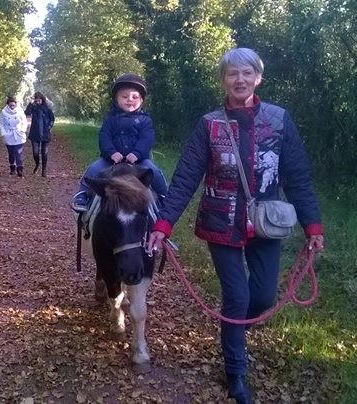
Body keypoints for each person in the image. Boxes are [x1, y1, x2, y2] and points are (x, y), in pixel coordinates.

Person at [146, 48, 325, 404]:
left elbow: (298, 176)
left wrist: (313, 226)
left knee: (260, 297)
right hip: (221, 220)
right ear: (223, 80)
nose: (239, 80)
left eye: (246, 73)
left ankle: (234, 333)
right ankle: (236, 372)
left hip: (267, 223)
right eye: (232, 74)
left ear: (258, 77)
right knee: (237, 297)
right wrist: (163, 224)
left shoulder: (279, 120)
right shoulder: (209, 124)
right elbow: (185, 178)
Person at [70, 73, 168, 212]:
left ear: (141, 101)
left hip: (137, 161)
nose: (130, 99)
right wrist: (112, 153)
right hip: (111, 160)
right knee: (93, 169)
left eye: (135, 97)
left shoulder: (145, 121)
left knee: (155, 172)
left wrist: (136, 154)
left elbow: (146, 139)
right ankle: (82, 194)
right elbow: (104, 137)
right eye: (124, 96)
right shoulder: (110, 119)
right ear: (116, 100)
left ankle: (164, 198)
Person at [24, 91, 55, 177]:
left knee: (44, 152)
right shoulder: (33, 107)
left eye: (39, 100)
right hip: (35, 133)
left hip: (45, 133)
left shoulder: (47, 107)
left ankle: (44, 170)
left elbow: (52, 119)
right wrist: (30, 103)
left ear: (42, 99)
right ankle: (37, 164)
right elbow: (27, 113)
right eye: (36, 100)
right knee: (35, 152)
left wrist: (49, 127)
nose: (38, 102)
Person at [0, 96, 28, 177]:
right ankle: (12, 167)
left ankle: (19, 168)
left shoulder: (20, 111)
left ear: (16, 104)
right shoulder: (3, 112)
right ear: (8, 105)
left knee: (18, 152)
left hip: (18, 134)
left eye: (13, 105)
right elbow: (1, 124)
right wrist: (4, 133)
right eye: (10, 105)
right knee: (11, 153)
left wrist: (22, 130)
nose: (12, 107)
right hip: (9, 134)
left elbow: (24, 121)